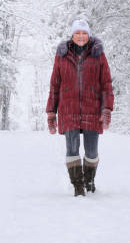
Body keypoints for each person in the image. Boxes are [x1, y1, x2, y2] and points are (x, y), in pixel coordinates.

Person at [46, 19, 114, 196]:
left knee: (92, 150)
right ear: (72, 35)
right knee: (72, 148)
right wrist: (51, 112)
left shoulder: (98, 54)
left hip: (93, 108)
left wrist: (106, 109)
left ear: (89, 35)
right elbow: (55, 84)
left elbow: (106, 83)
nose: (81, 36)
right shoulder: (62, 55)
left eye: (84, 33)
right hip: (68, 108)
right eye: (78, 33)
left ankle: (89, 181)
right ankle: (78, 185)